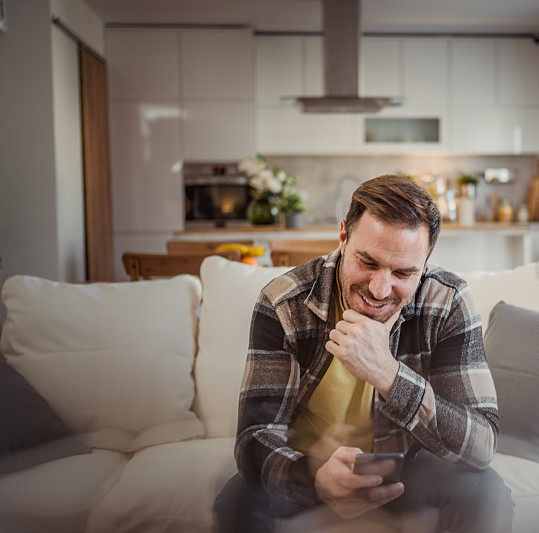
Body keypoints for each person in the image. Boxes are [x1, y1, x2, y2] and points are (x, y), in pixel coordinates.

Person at [214, 175, 513, 532]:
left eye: (404, 272)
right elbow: (254, 439)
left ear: (426, 260)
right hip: (309, 463)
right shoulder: (284, 303)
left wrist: (389, 375)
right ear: (343, 236)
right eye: (368, 263)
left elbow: (481, 445)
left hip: (411, 465)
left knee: (486, 492)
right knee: (235, 502)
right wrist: (316, 477)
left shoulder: (447, 302)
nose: (379, 289)